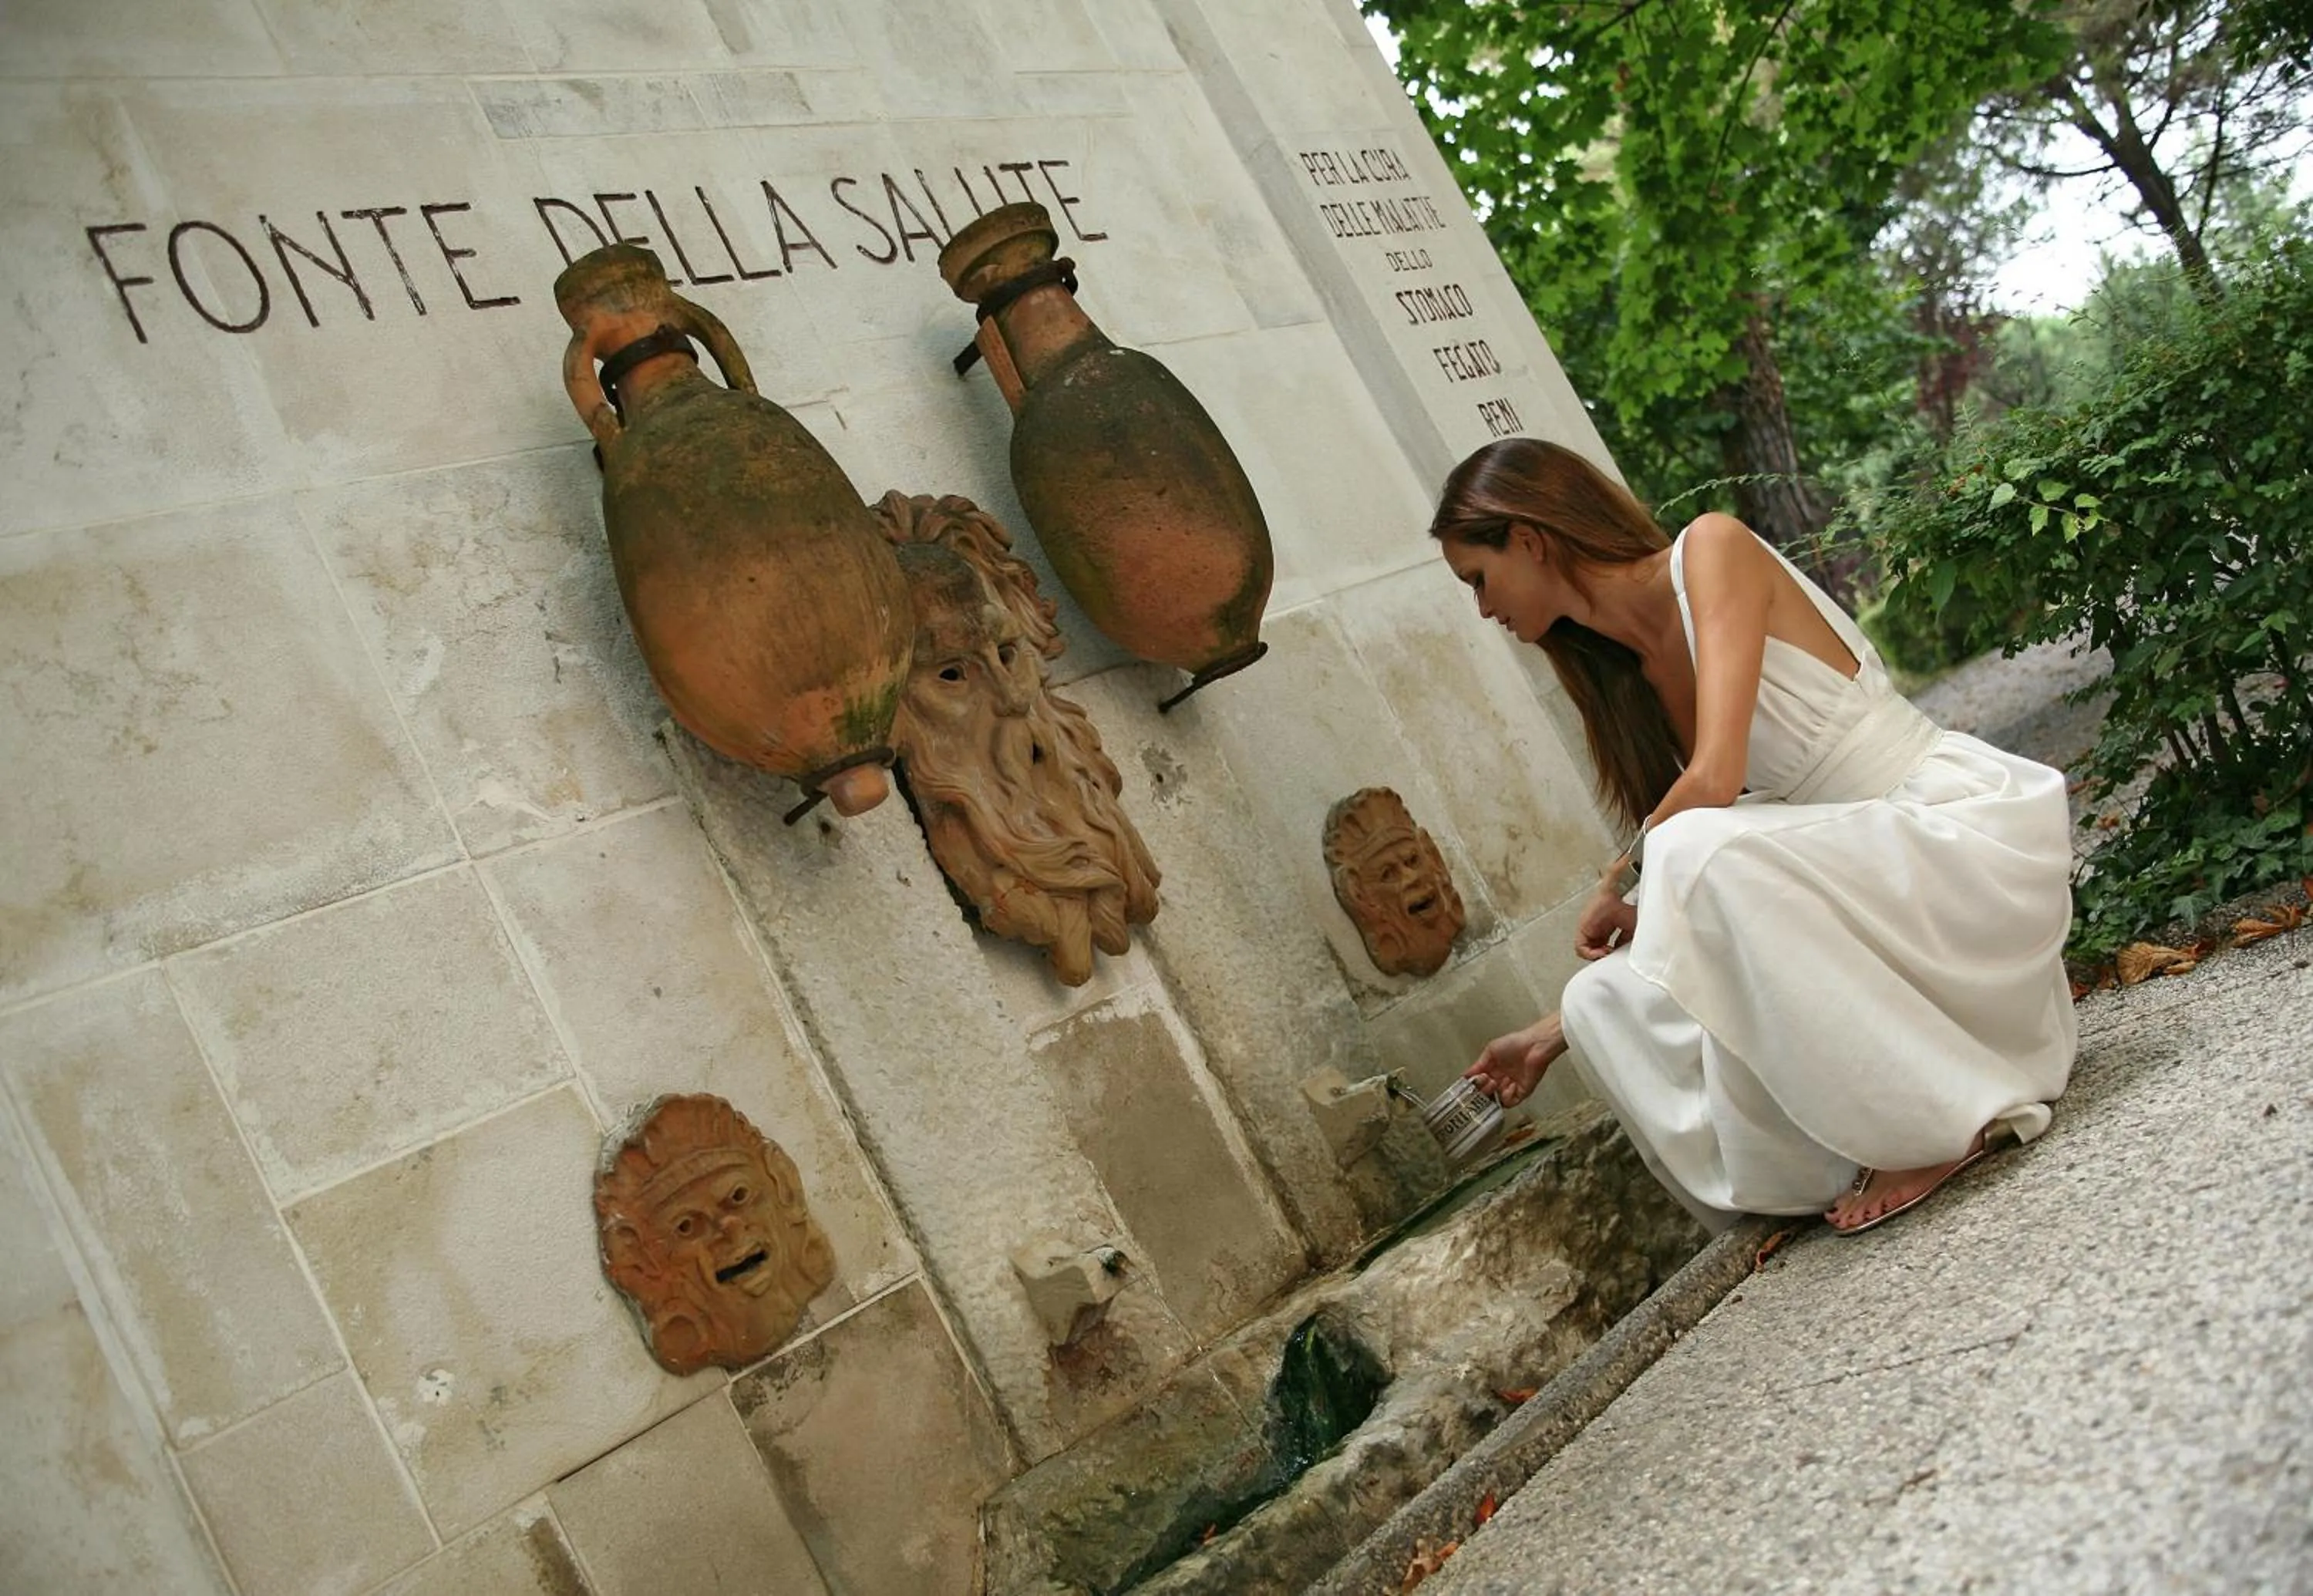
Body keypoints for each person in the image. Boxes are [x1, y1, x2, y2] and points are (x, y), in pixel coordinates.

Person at [1439, 438, 2077, 1234]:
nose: (1482, 608)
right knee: (1597, 999)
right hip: (1845, 872)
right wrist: (1544, 1039)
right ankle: (1835, 1154)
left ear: (1529, 540)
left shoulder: (1711, 550)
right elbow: (1737, 838)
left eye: (1477, 577)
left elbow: (1712, 783)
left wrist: (1624, 878)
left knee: (1688, 850)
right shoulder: (1622, 674)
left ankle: (1937, 1121)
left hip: (1935, 837)